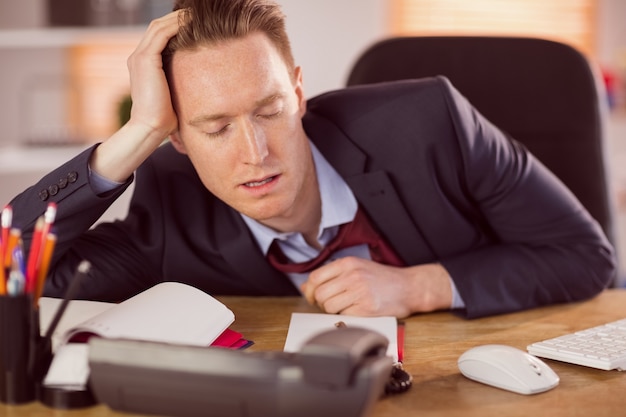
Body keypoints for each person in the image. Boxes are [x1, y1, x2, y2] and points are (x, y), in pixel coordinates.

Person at [8, 0, 615, 319]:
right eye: (216, 128)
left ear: (298, 92)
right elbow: (13, 269)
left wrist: (420, 287)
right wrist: (135, 134)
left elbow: (586, 257)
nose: (256, 153)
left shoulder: (432, 122)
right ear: (179, 138)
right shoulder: (173, 200)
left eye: (270, 110)